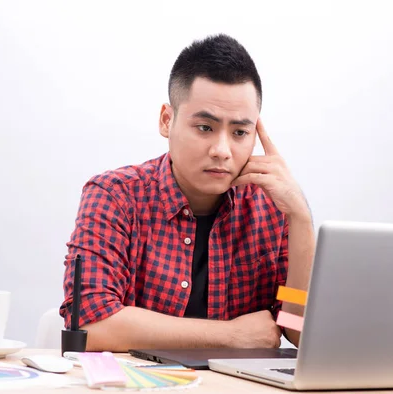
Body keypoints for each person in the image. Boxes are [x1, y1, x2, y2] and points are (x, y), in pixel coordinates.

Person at [59, 33, 315, 352]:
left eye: (239, 132)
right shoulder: (114, 195)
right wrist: (229, 335)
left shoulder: (270, 207)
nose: (222, 150)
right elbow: (89, 324)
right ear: (168, 121)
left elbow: (297, 331)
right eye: (205, 128)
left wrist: (301, 220)